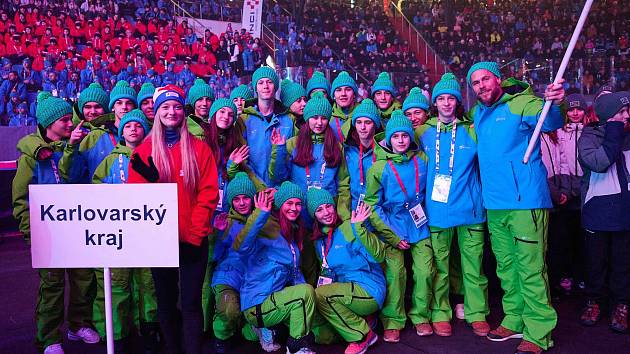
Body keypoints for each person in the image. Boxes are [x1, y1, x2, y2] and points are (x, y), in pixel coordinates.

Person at [467, 61, 565, 354]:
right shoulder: (479, 113)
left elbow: (549, 122)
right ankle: (516, 318)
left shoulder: (523, 103)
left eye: (485, 79)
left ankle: (539, 332)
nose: (481, 86)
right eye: (475, 83)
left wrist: (553, 103)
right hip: (494, 204)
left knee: (531, 269)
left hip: (525, 203)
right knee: (507, 267)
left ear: (497, 80)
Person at [128, 85, 219, 354]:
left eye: (177, 107)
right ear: (157, 113)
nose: (172, 111)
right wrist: (153, 183)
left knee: (191, 303)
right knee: (166, 303)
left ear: (183, 111)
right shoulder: (143, 152)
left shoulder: (200, 150)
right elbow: (137, 202)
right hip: (160, 242)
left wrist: (194, 235)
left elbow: (208, 194)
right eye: (165, 107)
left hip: (193, 239)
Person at [12, 92, 100, 354]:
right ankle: (49, 337)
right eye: (64, 120)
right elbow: (20, 199)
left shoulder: (73, 147)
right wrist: (32, 233)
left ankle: (78, 324)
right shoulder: (31, 155)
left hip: (76, 230)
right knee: (52, 286)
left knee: (83, 280)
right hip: (48, 234)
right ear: (48, 123)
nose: (70, 124)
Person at [416, 73, 489, 337]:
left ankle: (477, 312)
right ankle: (440, 312)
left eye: (451, 98)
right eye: (441, 99)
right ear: (434, 103)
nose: (446, 103)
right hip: (437, 210)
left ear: (458, 102)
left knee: (473, 266)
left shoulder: (471, 130)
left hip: (470, 210)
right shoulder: (422, 132)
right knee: (440, 268)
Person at [91, 109, 159, 353]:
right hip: (117, 234)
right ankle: (117, 335)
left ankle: (150, 329)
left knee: (148, 282)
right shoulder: (110, 160)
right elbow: (96, 191)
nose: (133, 129)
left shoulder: (154, 156)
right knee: (117, 283)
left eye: (138, 126)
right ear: (121, 131)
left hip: (147, 233)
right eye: (128, 126)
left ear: (145, 130)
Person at [364, 110, 433, 343]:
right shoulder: (378, 168)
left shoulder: (422, 160)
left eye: (405, 135)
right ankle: (393, 320)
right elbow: (373, 205)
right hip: (392, 226)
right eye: (396, 137)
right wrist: (391, 235)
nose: (401, 140)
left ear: (411, 138)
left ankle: (421, 316)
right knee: (395, 274)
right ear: (389, 140)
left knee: (425, 271)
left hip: (419, 222)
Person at [235, 182, 317, 354]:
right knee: (305, 294)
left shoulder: (292, 235)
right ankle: (296, 347)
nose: (294, 208)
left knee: (311, 309)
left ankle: (258, 330)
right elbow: (240, 247)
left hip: (274, 301)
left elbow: (295, 275)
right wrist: (259, 214)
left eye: (298, 203)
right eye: (289, 203)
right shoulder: (267, 227)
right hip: (257, 302)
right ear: (280, 205)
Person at [308, 188, 386, 354]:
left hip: (368, 288)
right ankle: (364, 319)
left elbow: (379, 255)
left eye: (328, 206)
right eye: (319, 210)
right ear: (313, 215)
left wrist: (360, 228)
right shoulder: (319, 242)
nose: (326, 212)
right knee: (323, 333)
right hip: (346, 292)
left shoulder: (350, 227)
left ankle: (362, 336)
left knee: (321, 294)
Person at [577, 91, 630, 333]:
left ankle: (621, 305)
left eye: (628, 111)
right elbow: (599, 163)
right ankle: (594, 301)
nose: (626, 116)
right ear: (608, 115)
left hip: (625, 207)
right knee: (595, 262)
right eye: (621, 112)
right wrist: (614, 132)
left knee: (623, 262)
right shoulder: (589, 136)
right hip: (597, 207)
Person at [210, 172, 274, 353]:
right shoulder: (225, 222)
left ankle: (242, 326)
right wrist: (216, 235)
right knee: (229, 309)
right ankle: (222, 335)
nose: (242, 203)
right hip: (228, 277)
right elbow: (213, 256)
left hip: (253, 281)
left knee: (254, 332)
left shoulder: (263, 220)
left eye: (245, 198)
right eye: (236, 199)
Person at [269, 92, 351, 224]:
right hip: (299, 212)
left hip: (327, 214)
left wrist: (343, 216)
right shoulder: (293, 143)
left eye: (324, 118)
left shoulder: (336, 146)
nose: (319, 123)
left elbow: (343, 185)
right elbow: (278, 177)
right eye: (314, 117)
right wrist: (278, 150)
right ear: (307, 119)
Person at [542, 93, 589, 296]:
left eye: (579, 109)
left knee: (582, 240)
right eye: (571, 109)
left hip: (584, 193)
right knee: (562, 240)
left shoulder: (590, 132)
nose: (575, 112)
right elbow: (561, 164)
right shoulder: (559, 133)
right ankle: (563, 277)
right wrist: (564, 191)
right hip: (563, 195)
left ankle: (580, 276)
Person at [60, 80, 137, 183]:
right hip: (99, 196)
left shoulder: (141, 134)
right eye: (119, 103)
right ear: (112, 107)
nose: (124, 107)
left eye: (129, 103)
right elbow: (72, 175)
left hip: (134, 195)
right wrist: (71, 146)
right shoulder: (93, 136)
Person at [241, 66, 295, 187]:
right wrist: (260, 189)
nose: (265, 86)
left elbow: (293, 160)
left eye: (269, 82)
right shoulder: (244, 119)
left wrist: (280, 189)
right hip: (254, 191)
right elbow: (243, 162)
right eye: (260, 82)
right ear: (255, 87)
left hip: (282, 192)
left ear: (275, 86)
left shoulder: (289, 120)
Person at [342, 98, 382, 211]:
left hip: (377, 211)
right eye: (359, 122)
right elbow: (343, 186)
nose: (363, 127)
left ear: (375, 125)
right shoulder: (347, 151)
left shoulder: (384, 152)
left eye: (368, 122)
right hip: (353, 212)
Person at [330, 71, 359, 143]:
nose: (343, 94)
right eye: (338, 90)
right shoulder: (327, 118)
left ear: (354, 94)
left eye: (348, 89)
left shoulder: (365, 116)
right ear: (333, 95)